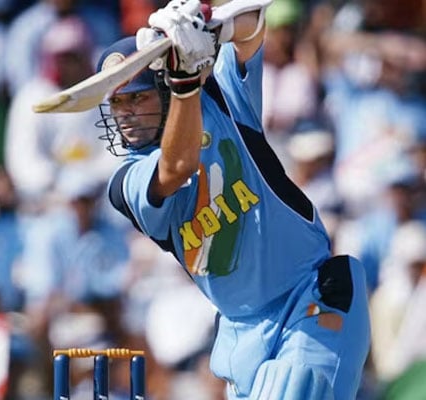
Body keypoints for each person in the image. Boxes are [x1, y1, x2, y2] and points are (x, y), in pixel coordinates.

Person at [93, 0, 370, 398]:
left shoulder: (223, 99)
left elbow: (254, 25)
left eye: (136, 98)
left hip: (311, 295)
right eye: (117, 102)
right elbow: (178, 166)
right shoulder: (127, 183)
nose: (125, 114)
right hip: (243, 336)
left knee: (293, 388)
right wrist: (186, 77)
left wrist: (210, 27)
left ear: (162, 89)